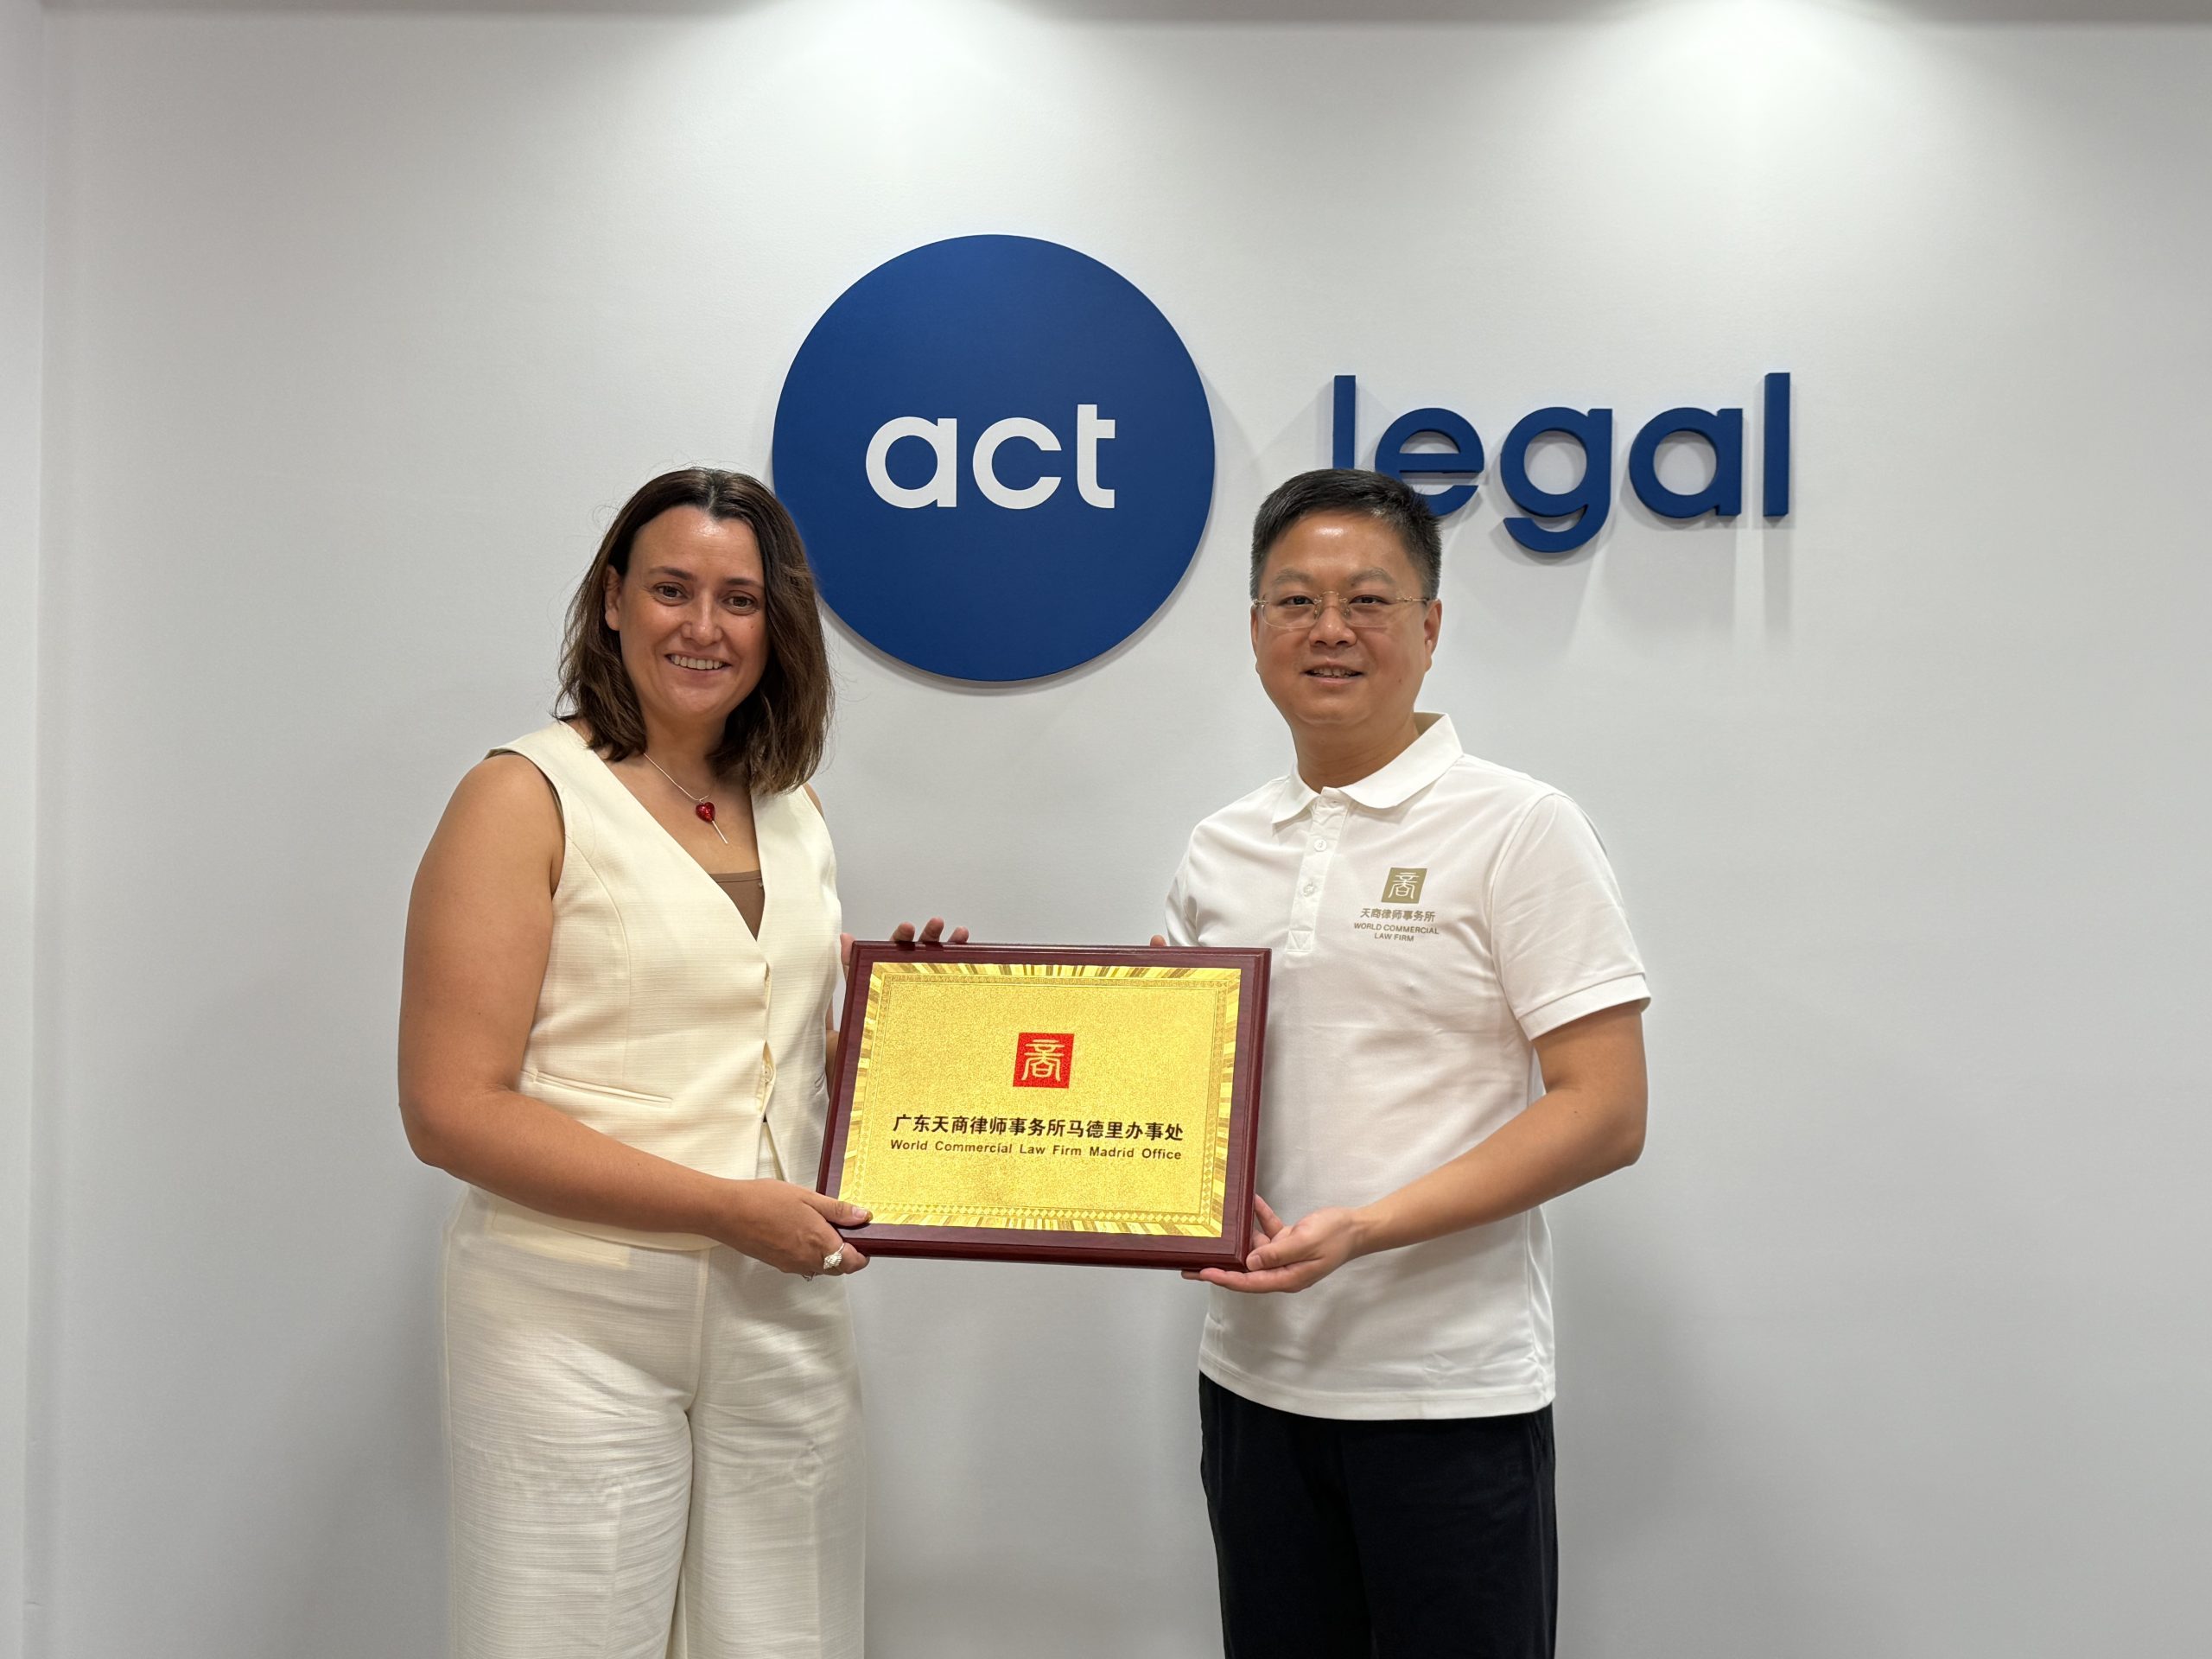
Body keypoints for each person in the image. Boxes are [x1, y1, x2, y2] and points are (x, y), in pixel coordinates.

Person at [398, 467, 958, 1659]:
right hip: (568, 1313)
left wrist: (912, 1025)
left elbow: (779, 1055)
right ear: (611, 601)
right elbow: (450, 1110)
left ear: (776, 621)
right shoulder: (521, 795)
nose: (704, 627)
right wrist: (721, 1208)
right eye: (671, 589)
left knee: (788, 1638)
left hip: (782, 1304)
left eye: (739, 600)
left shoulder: (792, 806)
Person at [1157, 469, 1650, 1659]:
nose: (1330, 629)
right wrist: (940, 1009)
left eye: (1367, 600)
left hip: (1448, 1395)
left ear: (1429, 627)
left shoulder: (1520, 827)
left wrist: (1368, 1228)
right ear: (1256, 628)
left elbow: (1605, 1110)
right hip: (1254, 1385)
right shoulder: (1220, 848)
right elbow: (1163, 1090)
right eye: (1296, 601)